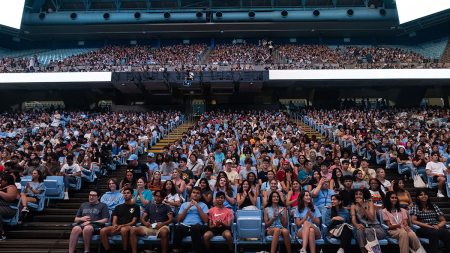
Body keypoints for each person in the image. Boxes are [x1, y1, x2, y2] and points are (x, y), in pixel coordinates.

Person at [100, 187, 140, 253]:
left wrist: (122, 226)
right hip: (118, 227)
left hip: (129, 227)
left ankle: (125, 250)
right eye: (124, 193)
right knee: (102, 231)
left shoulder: (136, 207)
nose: (126, 194)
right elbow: (114, 219)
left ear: (132, 195)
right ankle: (108, 250)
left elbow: (133, 221)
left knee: (123, 229)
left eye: (128, 193)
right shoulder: (118, 207)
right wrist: (115, 225)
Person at [410, 189, 450, 253]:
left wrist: (438, 225)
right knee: (434, 233)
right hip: (423, 227)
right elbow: (413, 221)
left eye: (425, 194)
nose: (424, 196)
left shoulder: (434, 206)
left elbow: (443, 220)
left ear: (428, 196)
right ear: (418, 197)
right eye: (421, 195)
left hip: (436, 226)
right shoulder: (416, 207)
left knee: (446, 232)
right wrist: (428, 226)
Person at [173, 186, 209, 253]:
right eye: (194, 192)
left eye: (198, 193)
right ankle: (176, 250)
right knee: (179, 227)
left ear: (200, 196)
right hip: (185, 226)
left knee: (194, 228)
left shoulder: (204, 205)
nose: (195, 194)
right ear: (190, 194)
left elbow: (205, 220)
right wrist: (187, 207)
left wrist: (197, 206)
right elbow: (178, 220)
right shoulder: (184, 205)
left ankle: (197, 251)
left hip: (198, 226)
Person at [350, 188, 386, 253]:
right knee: (359, 231)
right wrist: (356, 225)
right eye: (356, 194)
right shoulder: (353, 206)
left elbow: (371, 218)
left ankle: (376, 252)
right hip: (364, 228)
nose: (358, 196)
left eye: (360, 194)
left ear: (364, 195)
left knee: (368, 231)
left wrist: (362, 205)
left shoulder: (370, 203)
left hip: (376, 228)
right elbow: (353, 219)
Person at [0, 174, 20, 240]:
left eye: (2, 180)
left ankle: (1, 233)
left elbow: (10, 198)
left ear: (6, 181)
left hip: (10, 208)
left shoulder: (11, 187)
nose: (0, 181)